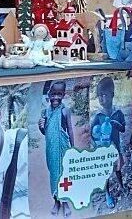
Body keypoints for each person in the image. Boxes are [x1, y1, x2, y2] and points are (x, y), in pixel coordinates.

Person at [38, 80, 74, 216]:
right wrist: (40, 126)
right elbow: (45, 132)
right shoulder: (45, 112)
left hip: (64, 148)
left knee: (64, 174)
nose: (56, 97)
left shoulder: (65, 111)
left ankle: (65, 202)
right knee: (54, 174)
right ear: (49, 94)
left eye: (59, 94)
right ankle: (56, 202)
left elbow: (70, 130)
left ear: (63, 95)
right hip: (51, 149)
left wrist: (73, 148)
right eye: (53, 94)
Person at [90, 77, 125, 210]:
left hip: (115, 148)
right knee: (105, 174)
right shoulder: (98, 116)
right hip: (103, 151)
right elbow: (92, 134)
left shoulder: (118, 113)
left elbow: (123, 129)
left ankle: (121, 186)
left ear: (112, 95)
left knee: (118, 169)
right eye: (99, 96)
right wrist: (96, 142)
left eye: (104, 95)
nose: (101, 99)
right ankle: (107, 193)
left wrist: (116, 124)